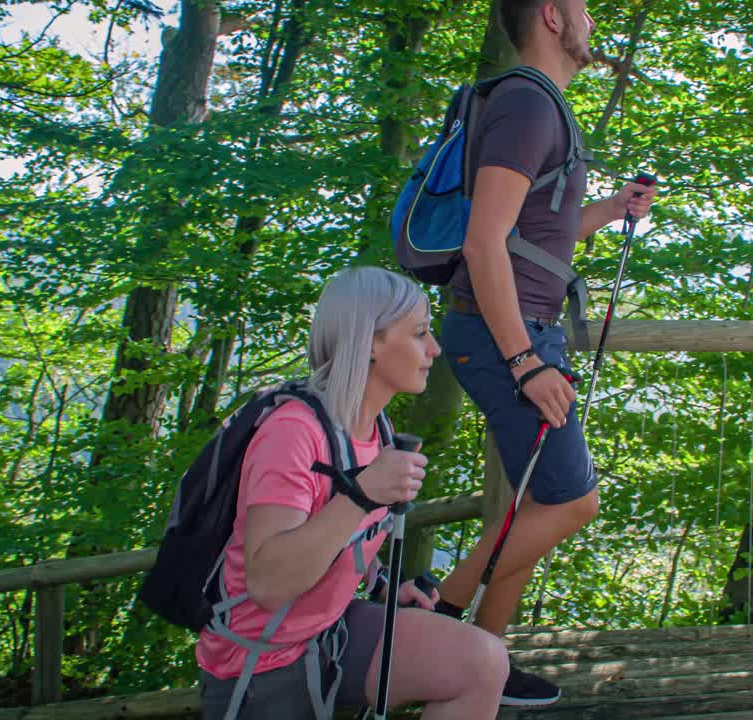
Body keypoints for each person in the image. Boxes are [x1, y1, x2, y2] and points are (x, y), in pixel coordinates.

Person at [432, 0, 658, 706]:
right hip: (510, 334)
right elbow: (483, 242)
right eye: (585, 8)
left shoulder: (539, 106)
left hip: (523, 326)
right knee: (574, 501)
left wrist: (612, 210)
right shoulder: (529, 105)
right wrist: (528, 362)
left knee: (539, 500)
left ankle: (485, 665)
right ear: (553, 17)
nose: (594, 21)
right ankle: (434, 615)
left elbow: (535, 236)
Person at [197, 267, 509, 720]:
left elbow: (346, 536)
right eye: (420, 333)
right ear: (369, 343)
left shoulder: (372, 429)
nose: (435, 349)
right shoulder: (293, 433)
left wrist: (382, 585)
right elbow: (268, 585)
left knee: (482, 662)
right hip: (258, 662)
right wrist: (362, 494)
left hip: (331, 632)